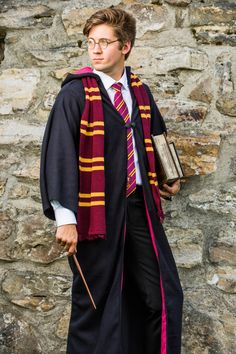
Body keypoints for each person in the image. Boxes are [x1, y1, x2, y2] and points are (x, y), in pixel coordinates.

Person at [40, 7, 183, 354]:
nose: (96, 50)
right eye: (91, 42)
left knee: (162, 295)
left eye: (105, 42)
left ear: (126, 46)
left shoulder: (140, 92)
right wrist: (66, 219)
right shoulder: (76, 94)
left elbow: (157, 137)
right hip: (96, 214)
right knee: (98, 305)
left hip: (139, 208)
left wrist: (170, 175)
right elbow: (59, 154)